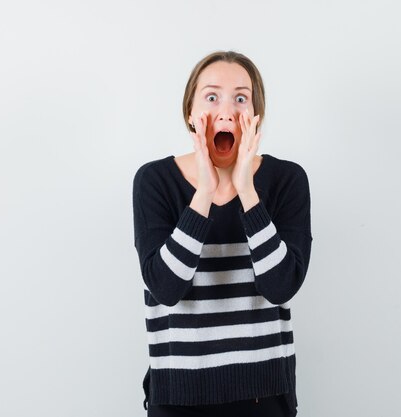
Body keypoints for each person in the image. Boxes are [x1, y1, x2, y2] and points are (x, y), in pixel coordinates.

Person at [132, 50, 313, 417]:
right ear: (190, 114)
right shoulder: (154, 181)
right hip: (178, 399)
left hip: (265, 397)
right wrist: (203, 195)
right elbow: (166, 289)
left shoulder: (287, 181)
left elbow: (281, 287)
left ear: (255, 117)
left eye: (241, 98)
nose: (226, 110)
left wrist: (248, 191)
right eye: (211, 97)